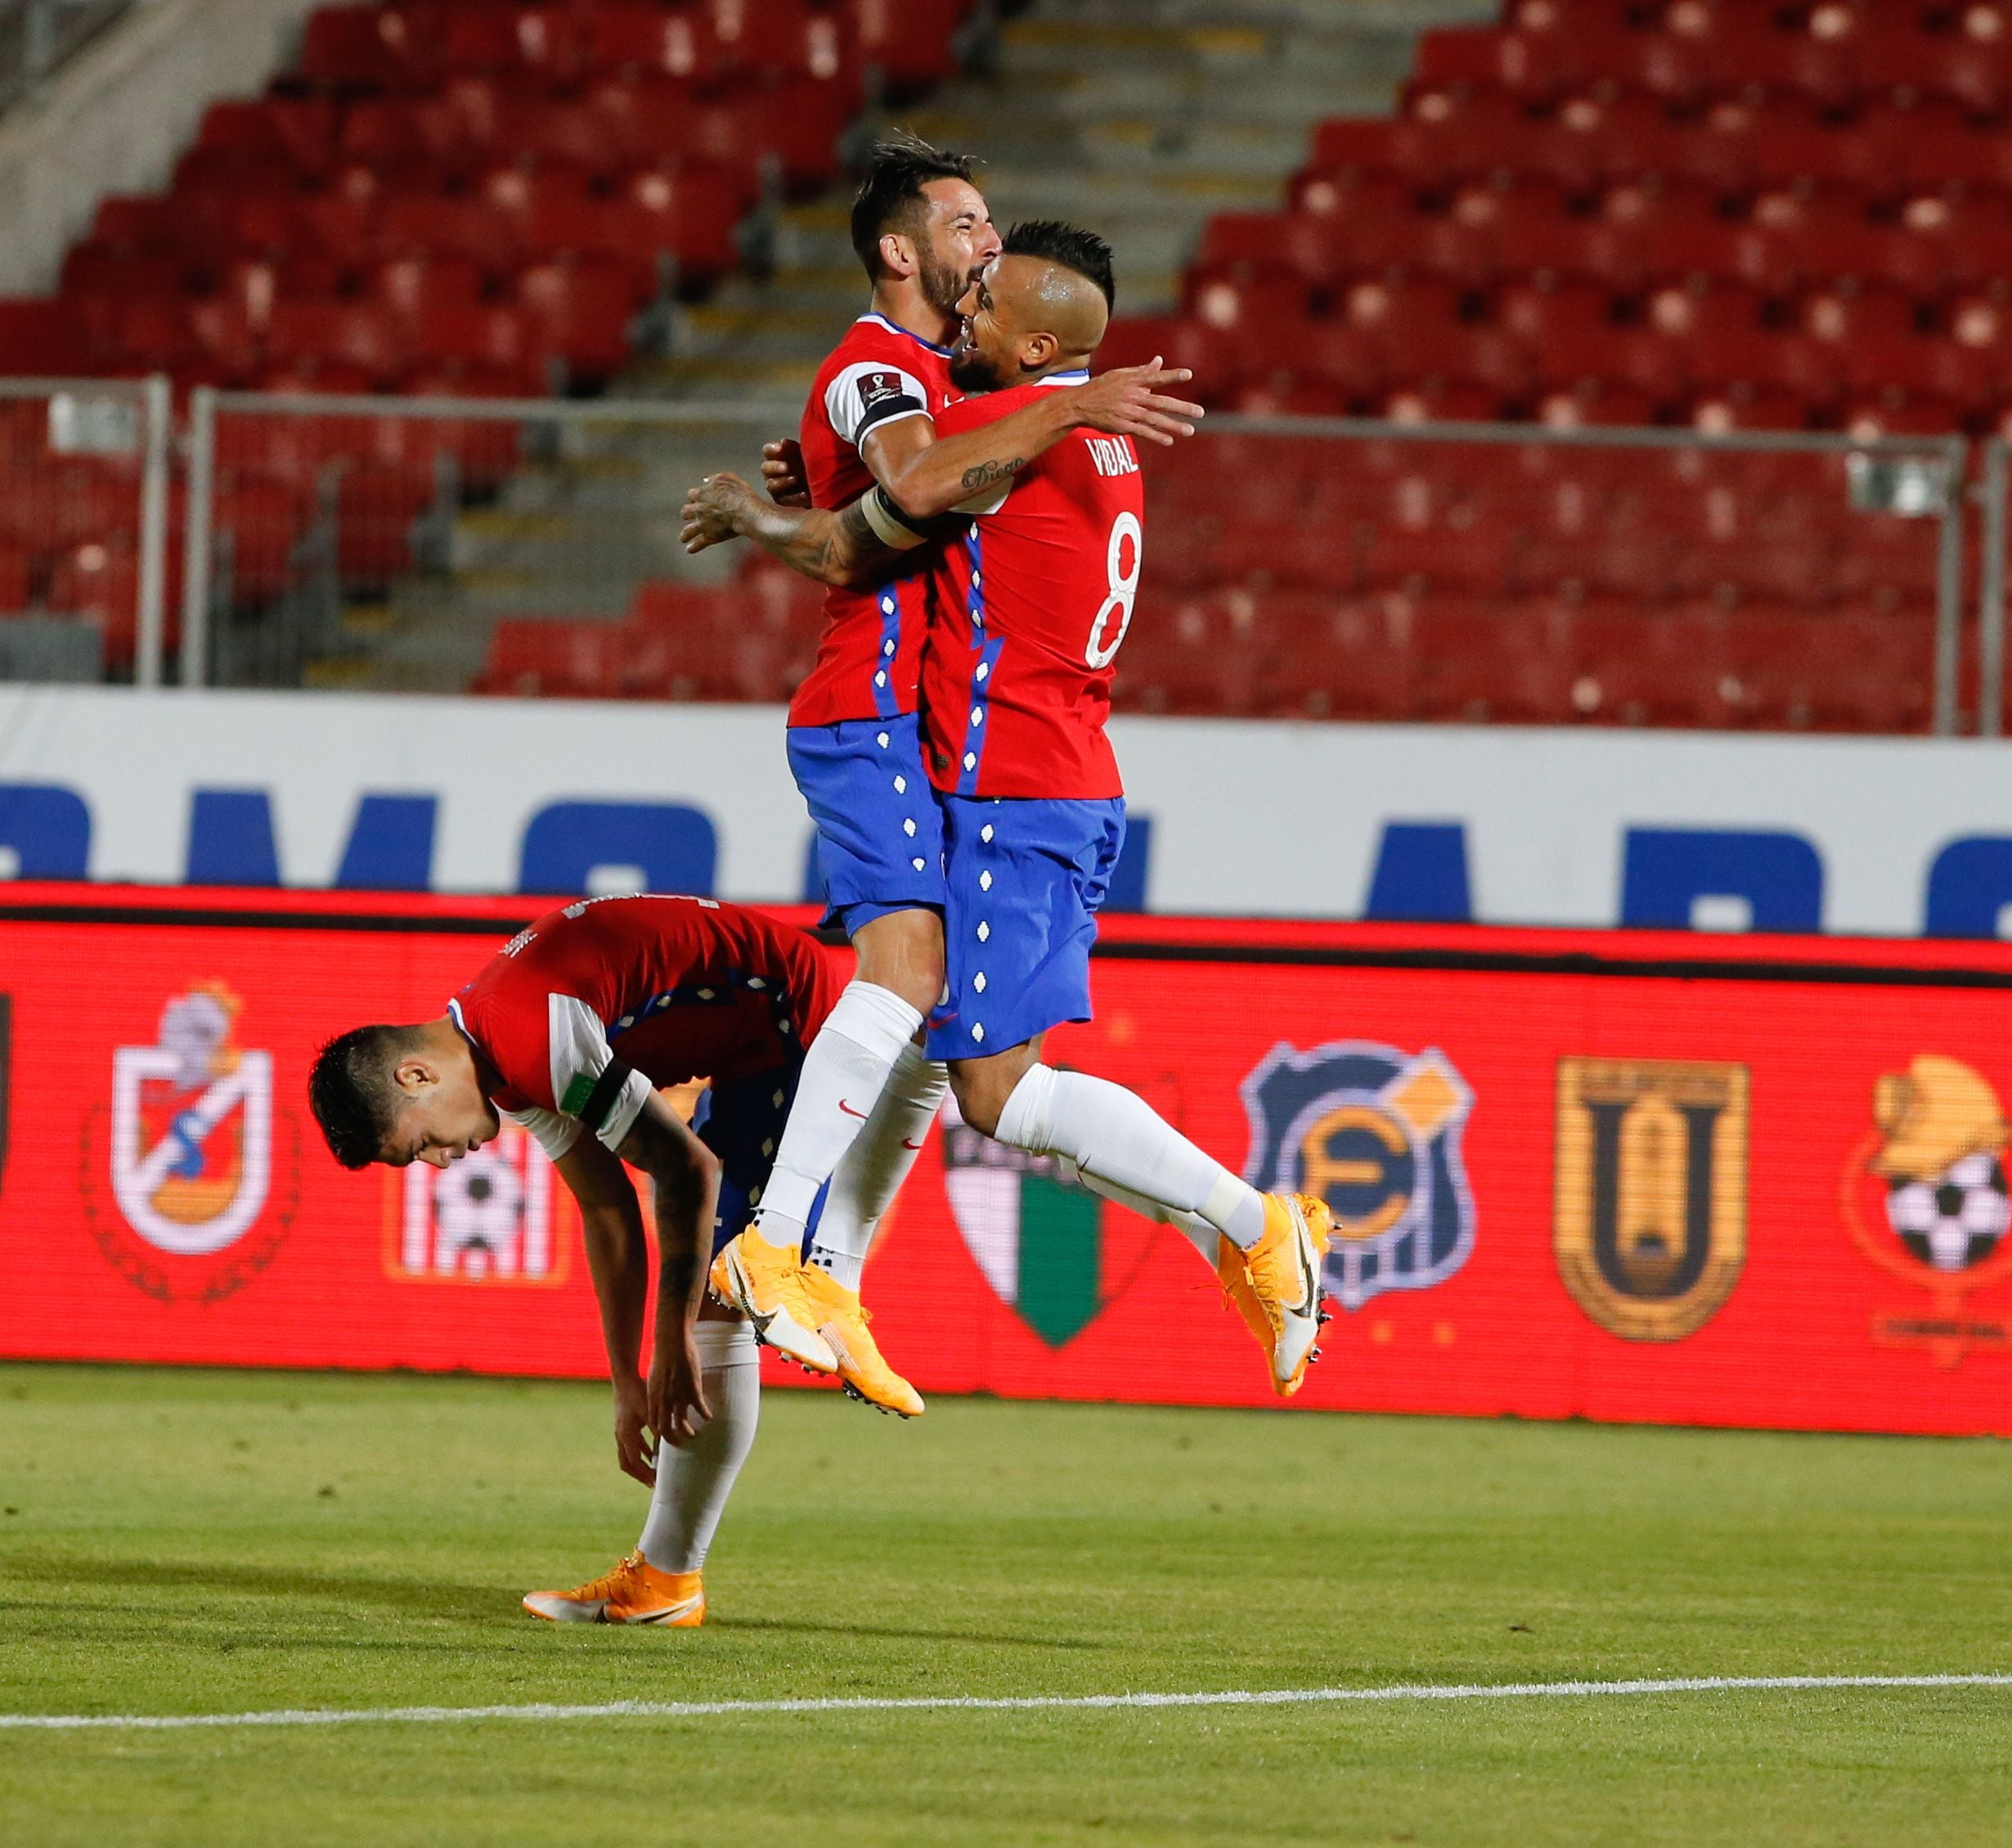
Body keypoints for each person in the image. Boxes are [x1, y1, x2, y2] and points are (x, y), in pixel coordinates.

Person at [680, 221, 1336, 1398]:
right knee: (952, 1054)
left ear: (1037, 346)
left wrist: (758, 510)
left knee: (1003, 1092)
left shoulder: (1011, 430)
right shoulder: (1090, 439)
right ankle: (836, 1261)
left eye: (982, 314)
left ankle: (1250, 1221)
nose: (957, 323)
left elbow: (877, 515)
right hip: (1061, 778)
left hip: (1013, 790)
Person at [716, 133, 1206, 1417]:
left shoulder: (946, 379)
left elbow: (906, 476)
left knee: (938, 1024)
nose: (989, 245)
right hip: (870, 712)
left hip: (937, 734)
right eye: (969, 225)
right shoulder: (886, 370)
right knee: (920, 987)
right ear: (901, 250)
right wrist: (803, 508)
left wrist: (795, 492)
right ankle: (775, 1247)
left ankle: (827, 1268)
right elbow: (903, 484)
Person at [307, 893, 946, 1625]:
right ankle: (668, 1582)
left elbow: (687, 1172)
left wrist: (668, 1341)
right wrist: (625, 1378)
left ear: (414, 1077)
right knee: (717, 1292)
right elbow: (607, 1211)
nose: (444, 1162)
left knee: (717, 1298)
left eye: (421, 1146)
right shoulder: (502, 1059)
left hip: (785, 1013)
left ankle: (669, 1583)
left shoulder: (529, 1033)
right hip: (751, 1031)